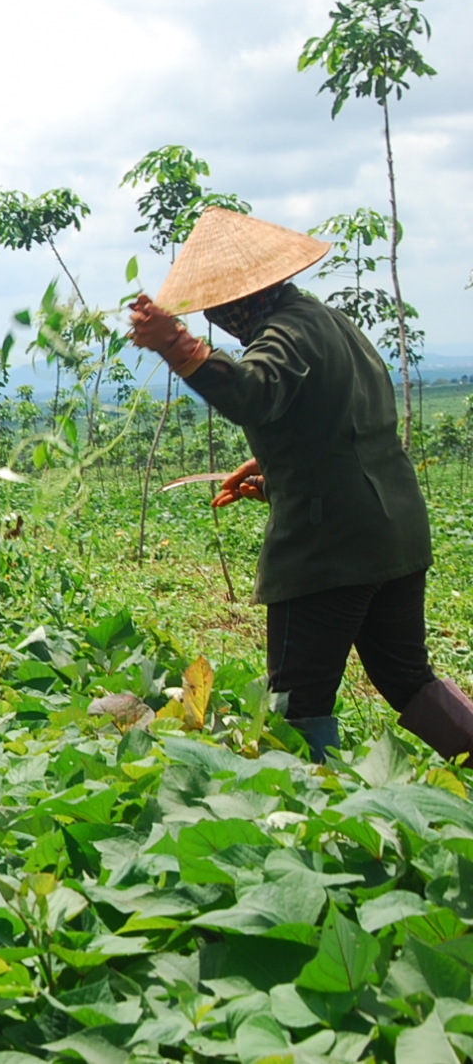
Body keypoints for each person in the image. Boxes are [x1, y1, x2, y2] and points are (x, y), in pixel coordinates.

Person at [128, 206, 455, 764]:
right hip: (394, 529)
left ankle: (316, 828)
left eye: (216, 308)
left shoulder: (284, 332)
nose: (216, 318)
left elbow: (253, 392)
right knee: (408, 677)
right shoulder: (328, 322)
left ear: (240, 299)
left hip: (332, 546)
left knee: (296, 702)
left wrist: (175, 344)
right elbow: (338, 421)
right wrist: (275, 467)